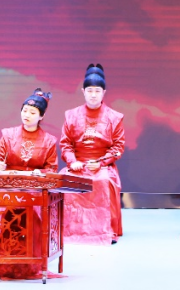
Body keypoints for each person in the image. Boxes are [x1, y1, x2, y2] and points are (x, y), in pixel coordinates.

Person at [0, 89, 59, 280]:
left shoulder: (49, 141)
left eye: (32, 112)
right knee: (7, 209)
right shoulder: (8, 135)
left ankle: (30, 262)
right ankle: (2, 259)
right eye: (25, 110)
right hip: (9, 185)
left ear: (41, 116)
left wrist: (40, 173)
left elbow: (52, 169)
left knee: (32, 211)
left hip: (34, 188)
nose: (27, 115)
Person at [60, 64, 125, 244]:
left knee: (104, 181)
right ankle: (69, 229)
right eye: (89, 91)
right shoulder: (71, 115)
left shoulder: (114, 117)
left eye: (97, 91)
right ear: (83, 92)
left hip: (102, 165)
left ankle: (105, 230)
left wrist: (101, 163)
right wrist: (72, 161)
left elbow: (118, 147)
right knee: (64, 180)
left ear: (104, 92)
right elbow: (65, 144)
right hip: (77, 164)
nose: (93, 95)